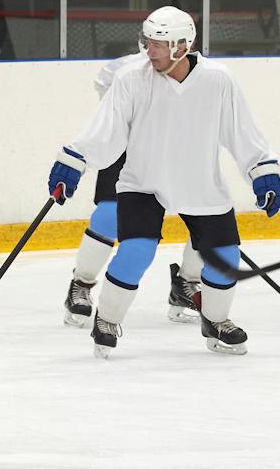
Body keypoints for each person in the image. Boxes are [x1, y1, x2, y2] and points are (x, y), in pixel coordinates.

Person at [47, 5, 280, 358]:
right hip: (143, 181)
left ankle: (215, 320)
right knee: (136, 251)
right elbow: (105, 129)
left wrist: (262, 170)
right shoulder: (132, 77)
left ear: (182, 46)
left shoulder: (218, 79)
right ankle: (106, 319)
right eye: (148, 42)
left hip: (199, 182)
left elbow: (241, 131)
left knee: (224, 255)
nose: (150, 50)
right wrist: (74, 160)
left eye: (159, 44)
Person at [61, 48, 208, 329]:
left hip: (171, 151)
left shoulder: (202, 73)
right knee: (108, 215)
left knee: (208, 214)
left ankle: (186, 284)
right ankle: (80, 285)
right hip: (125, 149)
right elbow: (105, 95)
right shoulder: (128, 68)